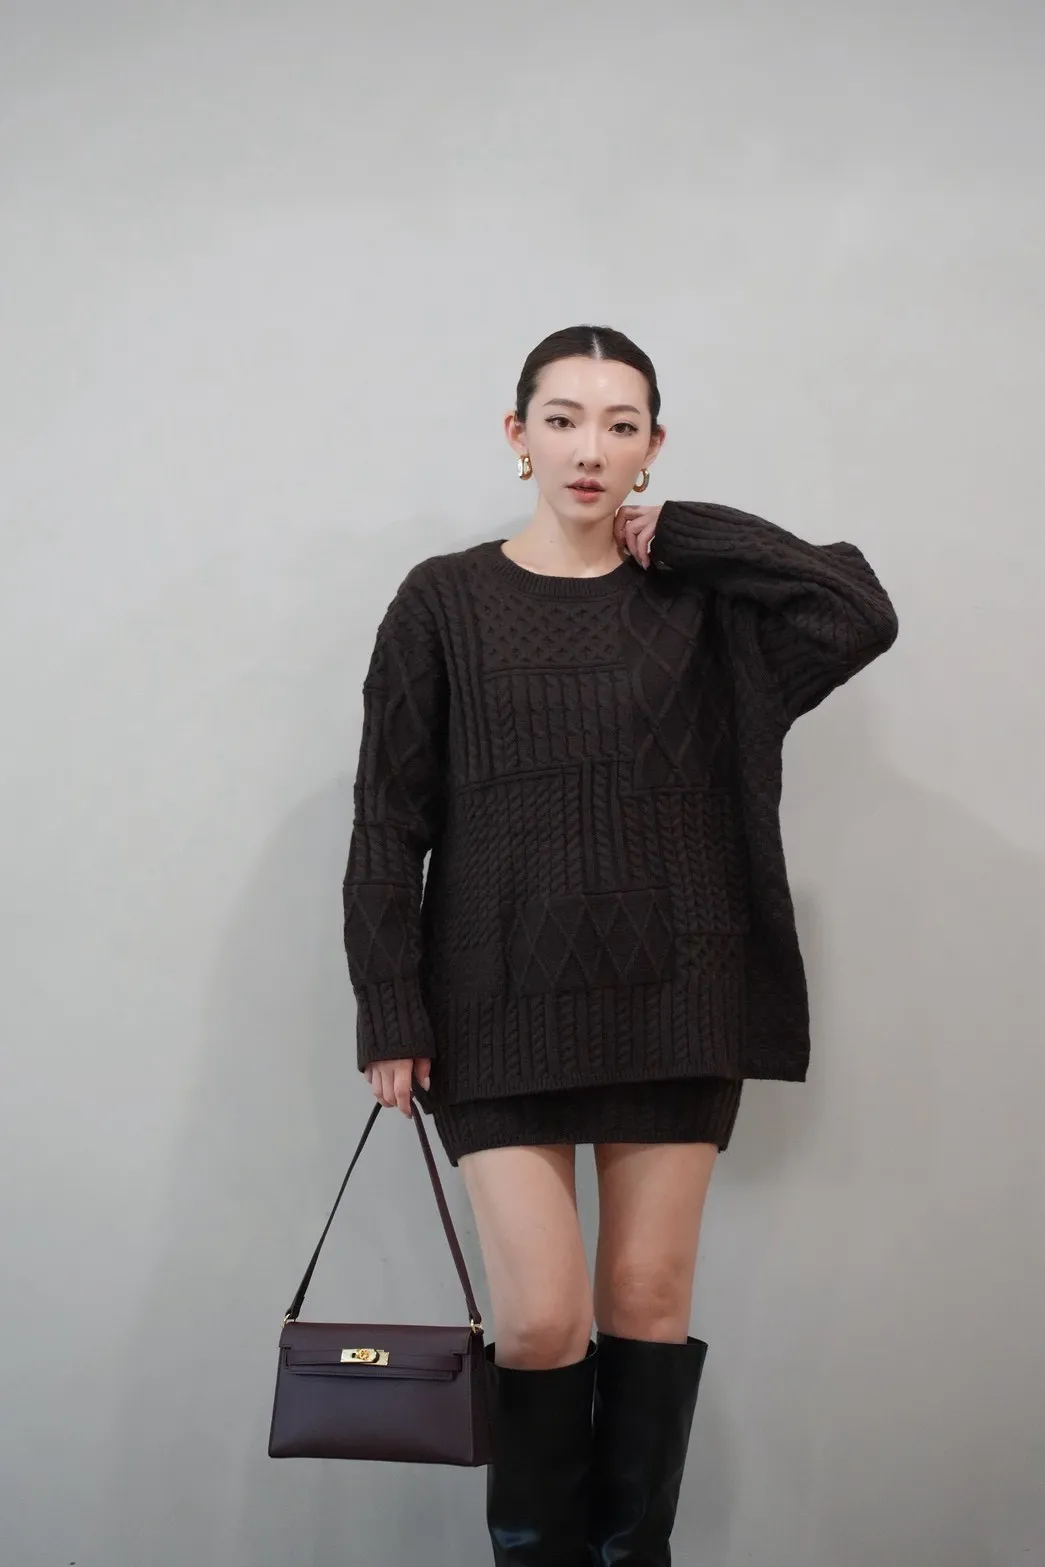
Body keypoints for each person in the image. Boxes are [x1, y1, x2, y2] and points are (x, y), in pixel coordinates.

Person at [341, 324, 898, 1565]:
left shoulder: (702, 607)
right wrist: (389, 1003)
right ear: (517, 434)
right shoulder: (442, 601)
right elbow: (389, 816)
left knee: (645, 1304)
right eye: (562, 419)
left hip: (676, 997)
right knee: (541, 1324)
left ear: (651, 445)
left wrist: (690, 532)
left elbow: (856, 610)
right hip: (495, 1003)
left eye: (620, 424)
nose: (588, 448)